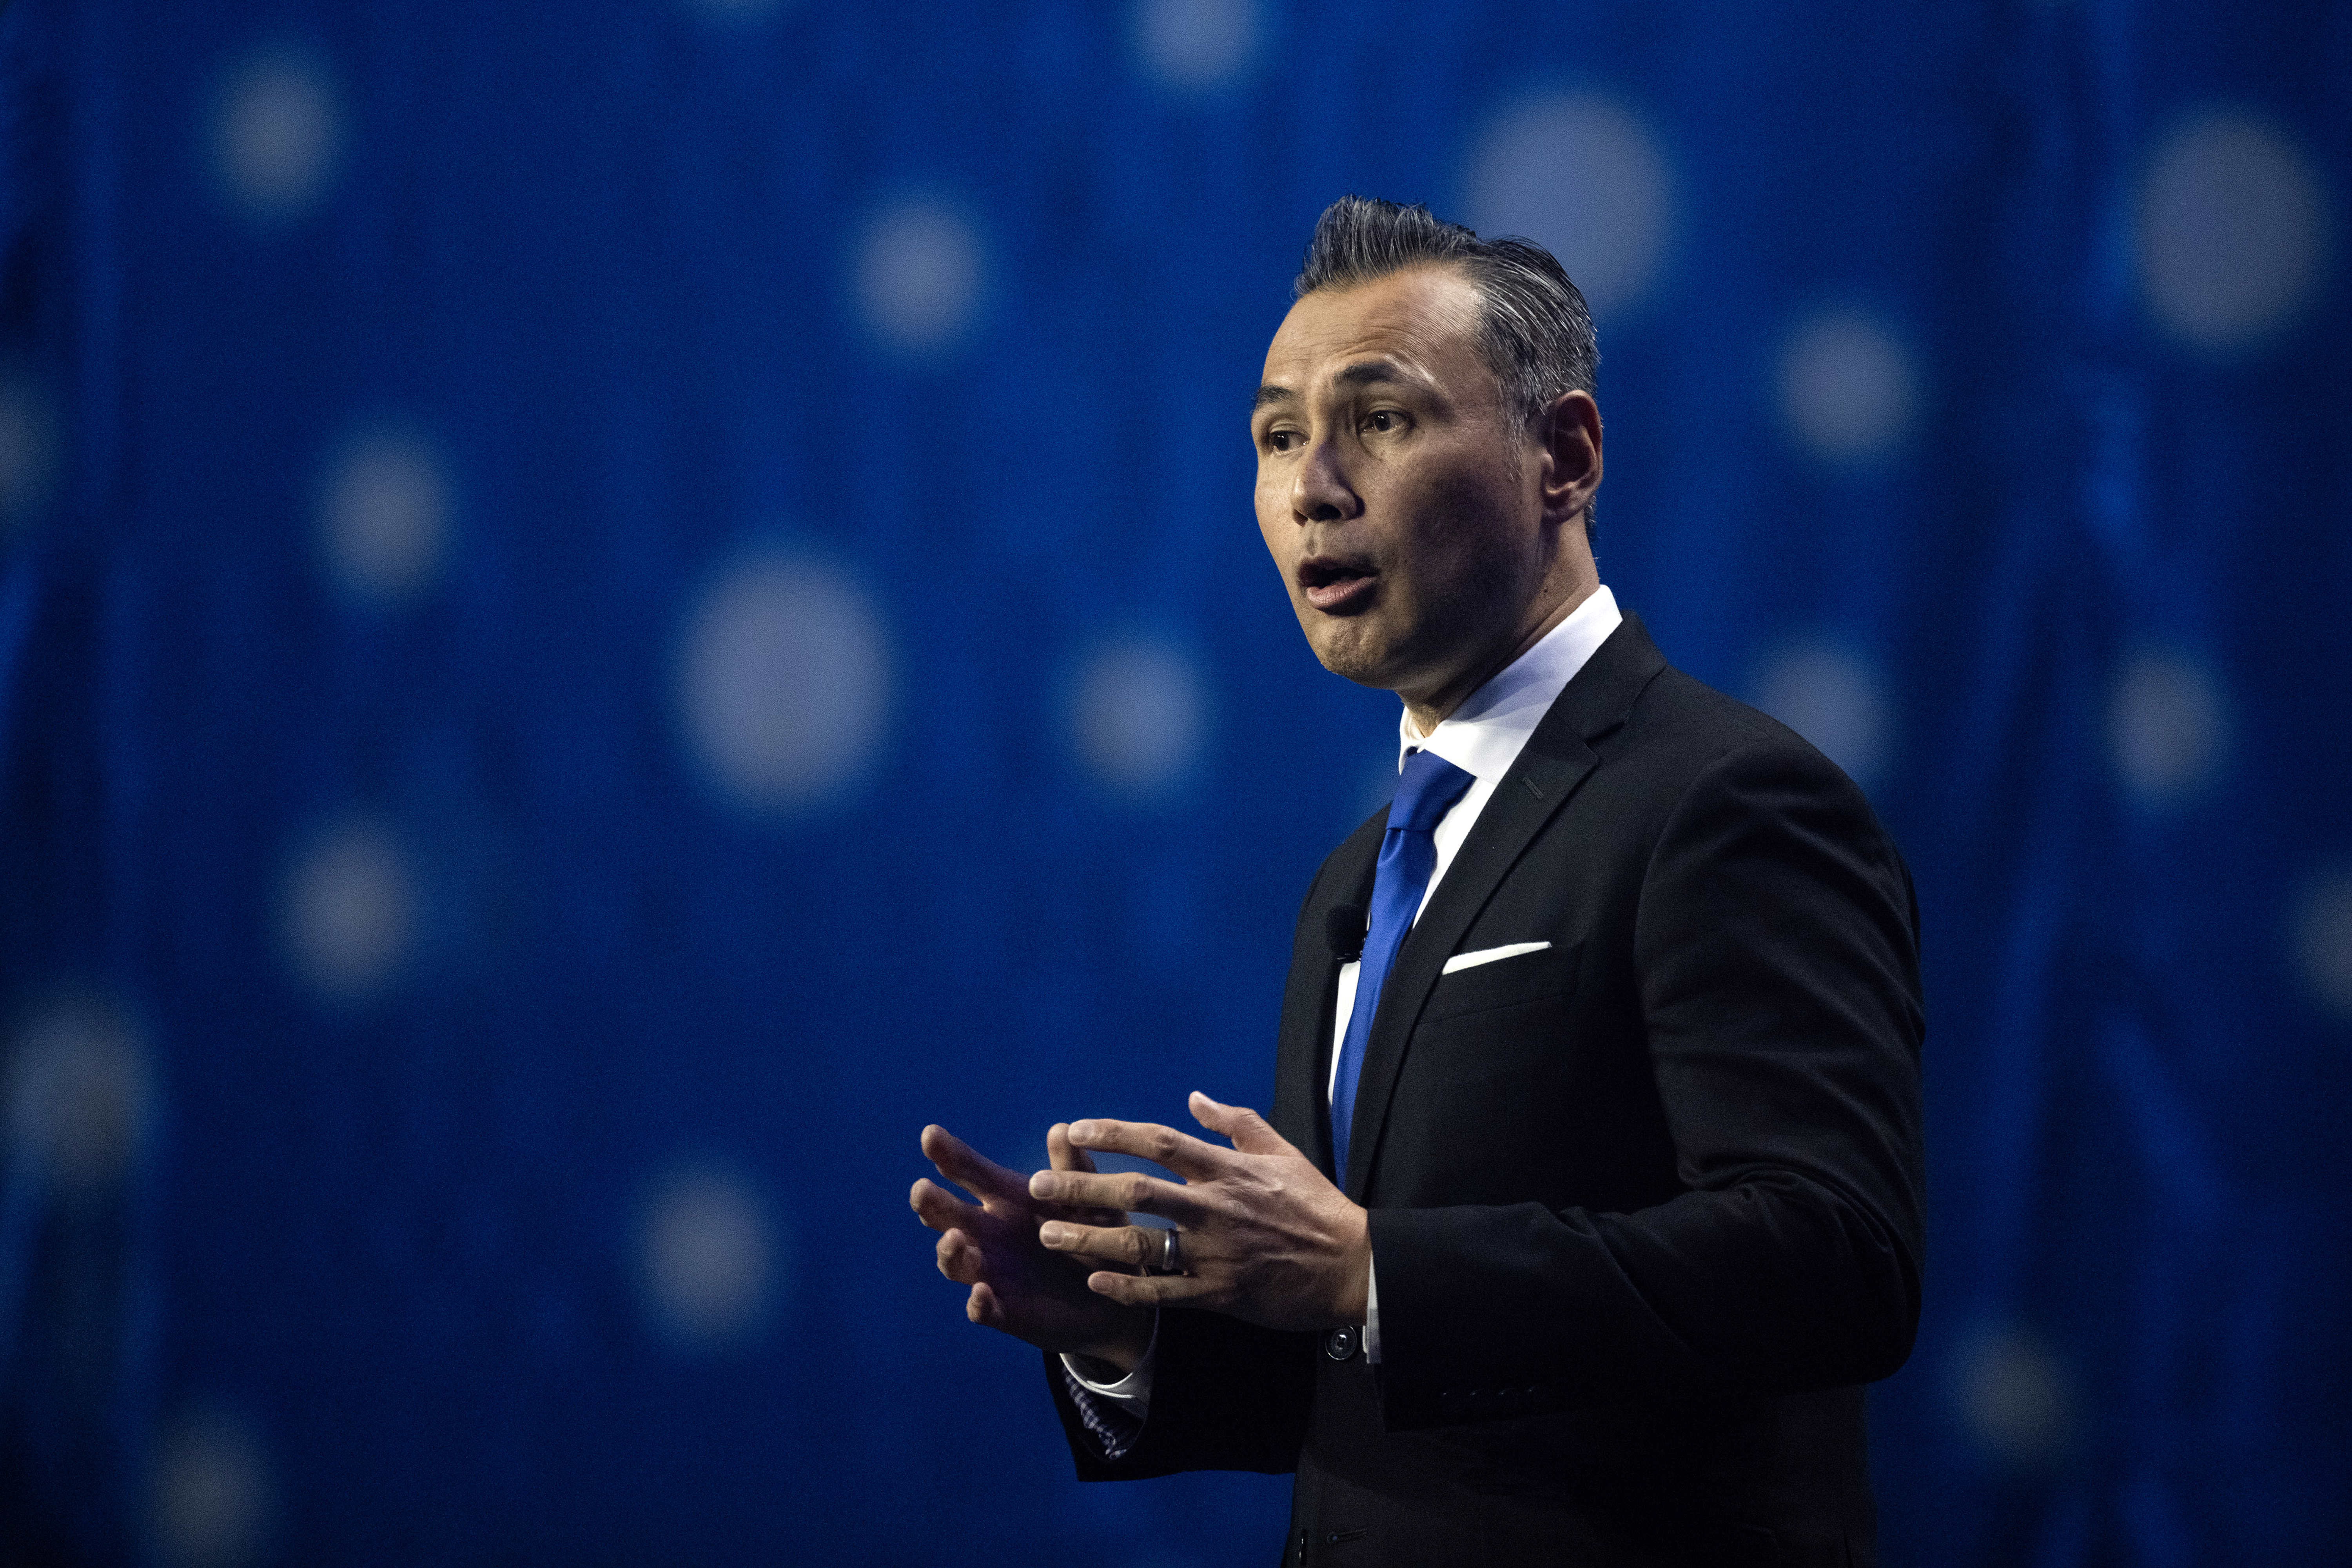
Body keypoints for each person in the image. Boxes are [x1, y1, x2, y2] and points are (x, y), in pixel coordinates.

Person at [911, 196, 1924, 1567]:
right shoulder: (1358, 878)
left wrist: (1371, 1268)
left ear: (1563, 455)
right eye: (1277, 437)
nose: (1313, 485)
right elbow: (1358, 1378)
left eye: (1378, 420)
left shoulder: (1726, 802)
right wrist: (1126, 1325)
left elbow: (1836, 1264)